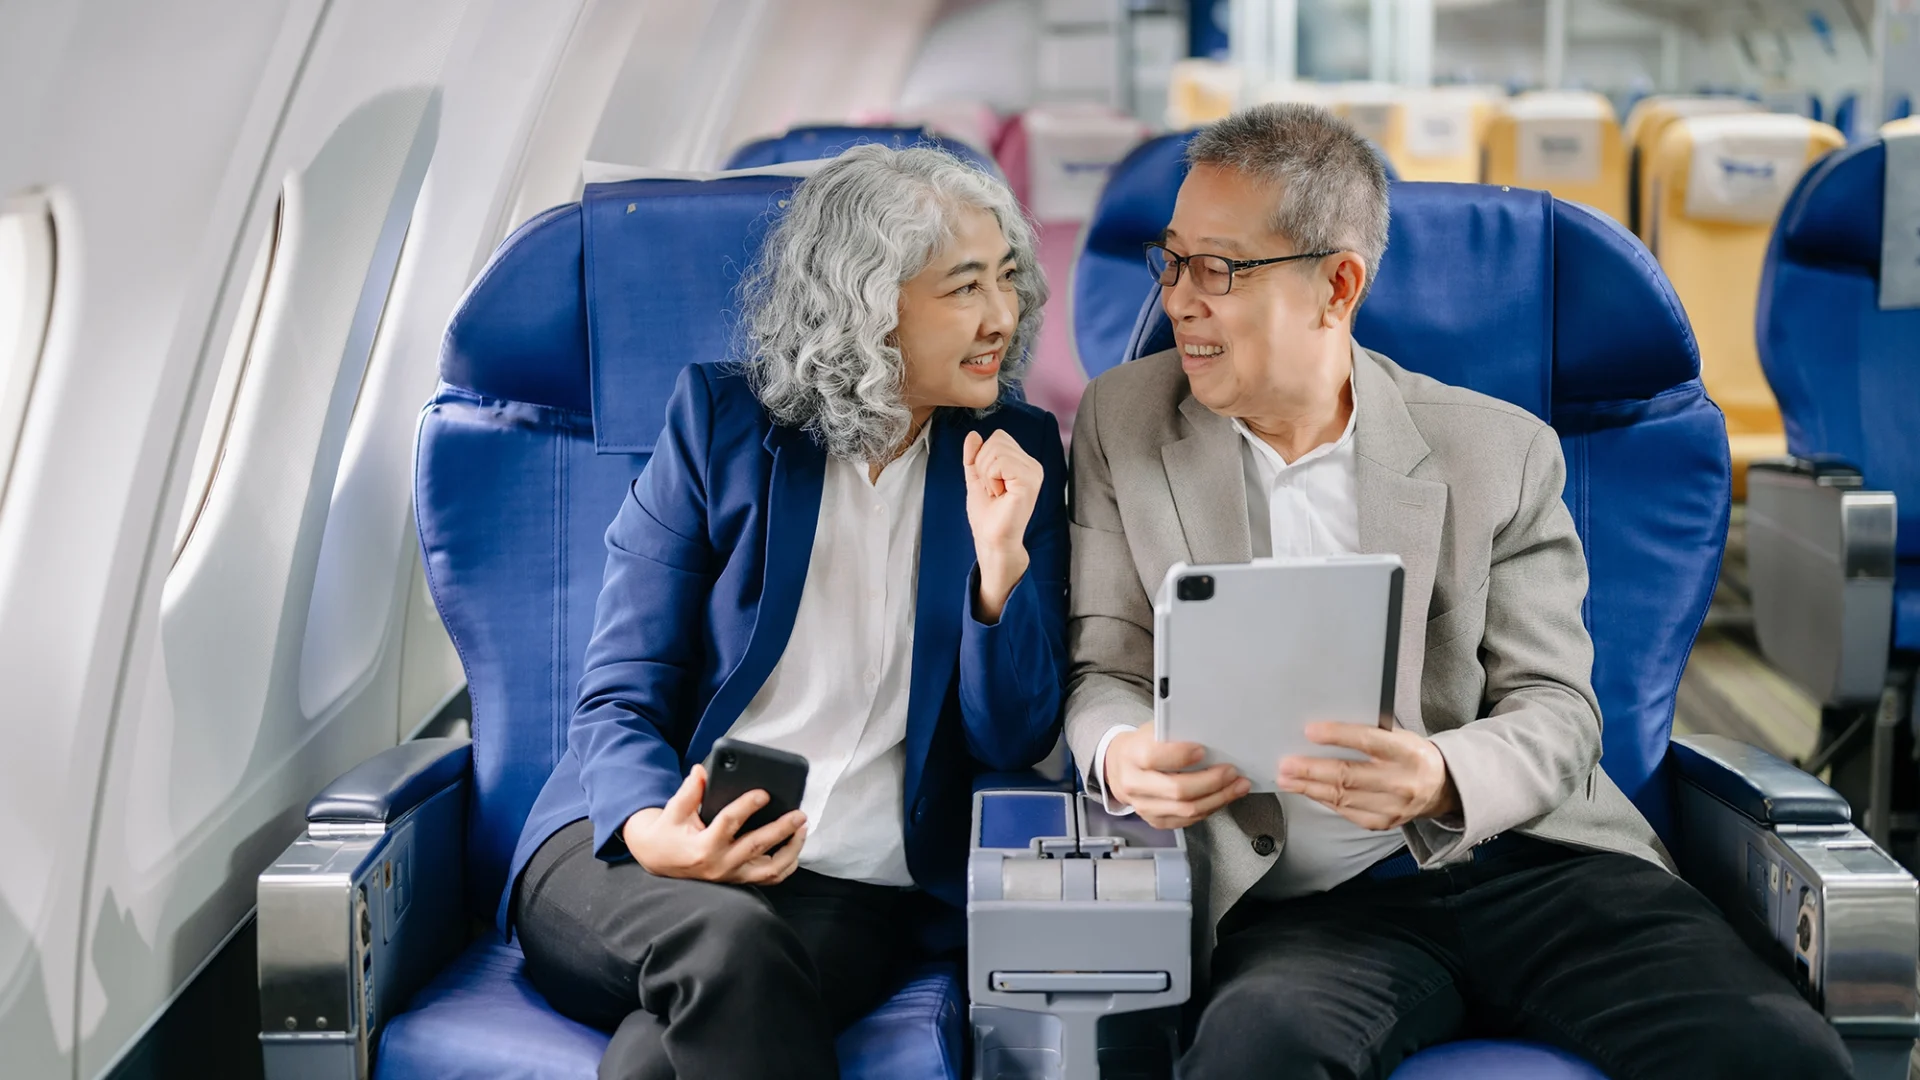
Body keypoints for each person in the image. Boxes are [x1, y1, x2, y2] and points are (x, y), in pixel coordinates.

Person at [1063, 104, 1852, 1079]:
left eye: (1218, 270)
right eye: (1171, 262)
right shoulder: (1123, 423)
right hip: (1310, 907)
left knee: (1780, 1056)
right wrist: (1120, 752)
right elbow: (1105, 667)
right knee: (1254, 1057)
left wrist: (1438, 776)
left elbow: (1561, 715)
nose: (1179, 299)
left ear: (1336, 286)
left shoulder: (1499, 448)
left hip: (1537, 869)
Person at [505, 144, 1069, 1080]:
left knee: (658, 1061)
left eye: (1008, 280)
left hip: (844, 885)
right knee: (723, 947)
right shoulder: (721, 427)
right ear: (867, 302)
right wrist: (657, 830)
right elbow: (620, 692)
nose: (1002, 318)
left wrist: (998, 566)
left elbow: (1013, 738)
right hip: (628, 848)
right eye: (963, 288)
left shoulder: (1018, 451)